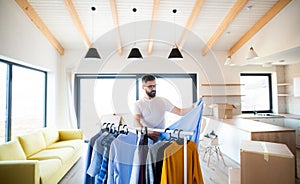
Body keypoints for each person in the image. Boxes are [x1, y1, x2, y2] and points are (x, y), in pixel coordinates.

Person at [133, 74, 194, 141]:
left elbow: (180, 112)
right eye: (150, 86)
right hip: (146, 139)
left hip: (161, 138)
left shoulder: (163, 101)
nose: (153, 89)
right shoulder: (138, 104)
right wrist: (147, 132)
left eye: (154, 86)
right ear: (143, 87)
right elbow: (136, 120)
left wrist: (194, 107)